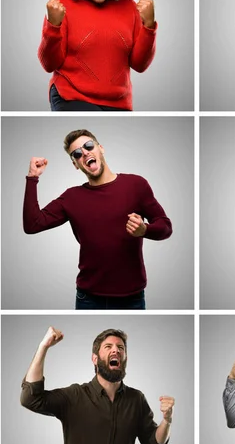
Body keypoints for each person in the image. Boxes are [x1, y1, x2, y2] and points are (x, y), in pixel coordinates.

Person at [21, 326, 175, 444]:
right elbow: (30, 398)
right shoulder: (75, 396)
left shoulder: (136, 399)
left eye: (121, 348)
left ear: (125, 359)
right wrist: (43, 346)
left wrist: (166, 420)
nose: (116, 350)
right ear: (95, 359)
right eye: (108, 347)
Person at [23, 129, 172, 309]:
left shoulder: (136, 185)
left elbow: (165, 226)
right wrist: (32, 178)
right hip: (88, 299)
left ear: (100, 149)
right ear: (76, 165)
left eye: (88, 146)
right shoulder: (71, 197)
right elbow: (32, 224)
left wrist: (145, 230)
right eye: (77, 153)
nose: (84, 152)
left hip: (132, 298)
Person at [39, 0, 157, 111]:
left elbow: (139, 65)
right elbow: (49, 64)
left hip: (119, 102)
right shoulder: (62, 6)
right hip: (71, 96)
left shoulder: (129, 7)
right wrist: (53, 26)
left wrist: (149, 26)